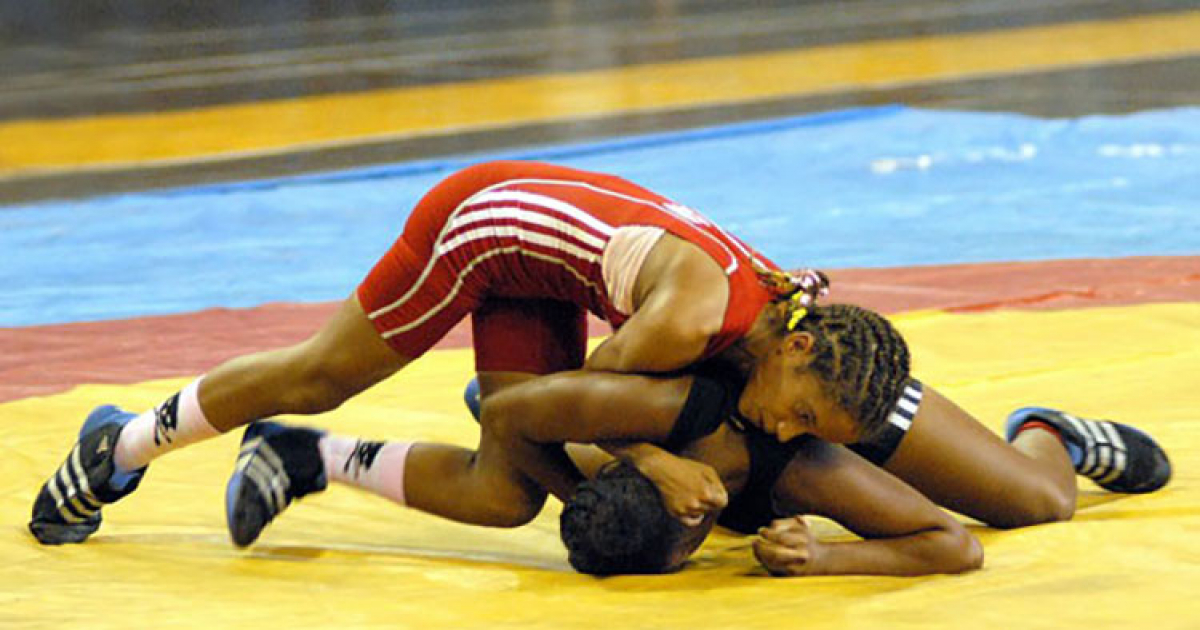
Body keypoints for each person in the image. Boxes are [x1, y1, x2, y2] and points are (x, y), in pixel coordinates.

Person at [31, 160, 910, 544]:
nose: (784, 429)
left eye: (803, 431)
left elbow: (579, 411)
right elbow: (574, 401)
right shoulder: (691, 322)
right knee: (320, 376)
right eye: (798, 411)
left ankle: (304, 459)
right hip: (483, 227)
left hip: (555, 267)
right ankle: (122, 445)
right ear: (796, 350)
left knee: (505, 496)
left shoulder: (786, 313)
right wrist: (654, 465)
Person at [222, 369, 984, 578]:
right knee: (507, 486)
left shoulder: (801, 470)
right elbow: (495, 401)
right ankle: (309, 453)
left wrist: (827, 559)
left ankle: (1054, 436)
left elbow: (954, 543)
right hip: (742, 416)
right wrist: (620, 458)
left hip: (842, 403)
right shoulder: (607, 455)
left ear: (696, 517)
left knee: (1035, 502)